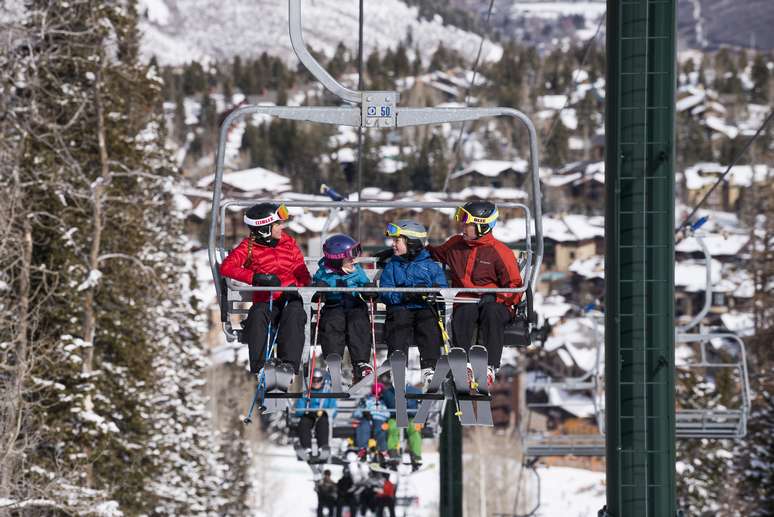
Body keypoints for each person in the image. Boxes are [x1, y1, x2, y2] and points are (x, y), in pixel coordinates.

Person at [427, 201, 523, 386]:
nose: (463, 226)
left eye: (468, 223)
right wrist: (412, 248)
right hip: (465, 301)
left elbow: (515, 286)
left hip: (495, 304)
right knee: (464, 311)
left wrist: (496, 297)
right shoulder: (456, 245)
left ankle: (489, 366)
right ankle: (463, 364)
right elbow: (435, 254)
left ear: (482, 225)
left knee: (491, 312)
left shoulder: (499, 252)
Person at [219, 202, 311, 379]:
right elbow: (227, 268)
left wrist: (299, 287)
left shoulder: (288, 243)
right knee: (257, 314)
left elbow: (302, 271)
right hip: (266, 301)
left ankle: (288, 367)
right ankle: (261, 367)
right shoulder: (249, 247)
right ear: (265, 229)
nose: (282, 227)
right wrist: (256, 278)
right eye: (277, 224)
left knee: (294, 313)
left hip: (290, 298)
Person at [379, 220, 448, 388]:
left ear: (411, 243)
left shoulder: (430, 267)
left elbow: (443, 289)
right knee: (398, 325)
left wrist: (434, 293)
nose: (393, 245)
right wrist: (403, 296)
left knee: (429, 327)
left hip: (425, 308)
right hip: (401, 307)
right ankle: (398, 365)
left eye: (397, 241)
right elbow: (385, 291)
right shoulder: (392, 266)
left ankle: (429, 367)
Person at [312, 234, 377, 383]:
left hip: (354, 304)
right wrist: (319, 289)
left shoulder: (356, 270)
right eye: (350, 258)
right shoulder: (324, 273)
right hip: (333, 306)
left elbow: (364, 284)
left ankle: (361, 364)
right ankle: (334, 361)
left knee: (358, 323)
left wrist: (369, 291)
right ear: (337, 260)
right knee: (332, 324)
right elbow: (315, 289)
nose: (354, 260)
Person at [381, 374, 424, 469]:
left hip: (410, 417)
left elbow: (421, 404)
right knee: (392, 427)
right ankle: (393, 452)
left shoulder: (414, 391)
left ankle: (416, 455)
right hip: (394, 417)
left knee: (414, 429)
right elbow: (382, 405)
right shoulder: (388, 393)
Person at [294, 368, 337, 460]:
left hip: (322, 416)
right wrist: (305, 411)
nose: (316, 382)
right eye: (314, 380)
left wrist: (326, 412)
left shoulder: (327, 392)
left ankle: (323, 447)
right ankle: (307, 448)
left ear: (322, 380)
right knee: (304, 423)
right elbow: (298, 409)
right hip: (308, 415)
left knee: (323, 423)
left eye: (318, 380)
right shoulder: (306, 393)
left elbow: (333, 408)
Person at [353, 383, 390, 459]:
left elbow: (388, 413)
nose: (376, 396)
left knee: (380, 428)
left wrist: (382, 416)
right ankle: (363, 449)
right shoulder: (366, 400)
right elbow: (357, 412)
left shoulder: (383, 402)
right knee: (363, 426)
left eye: (379, 395)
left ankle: (383, 450)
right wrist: (364, 412)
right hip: (367, 418)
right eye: (374, 394)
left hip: (379, 419)